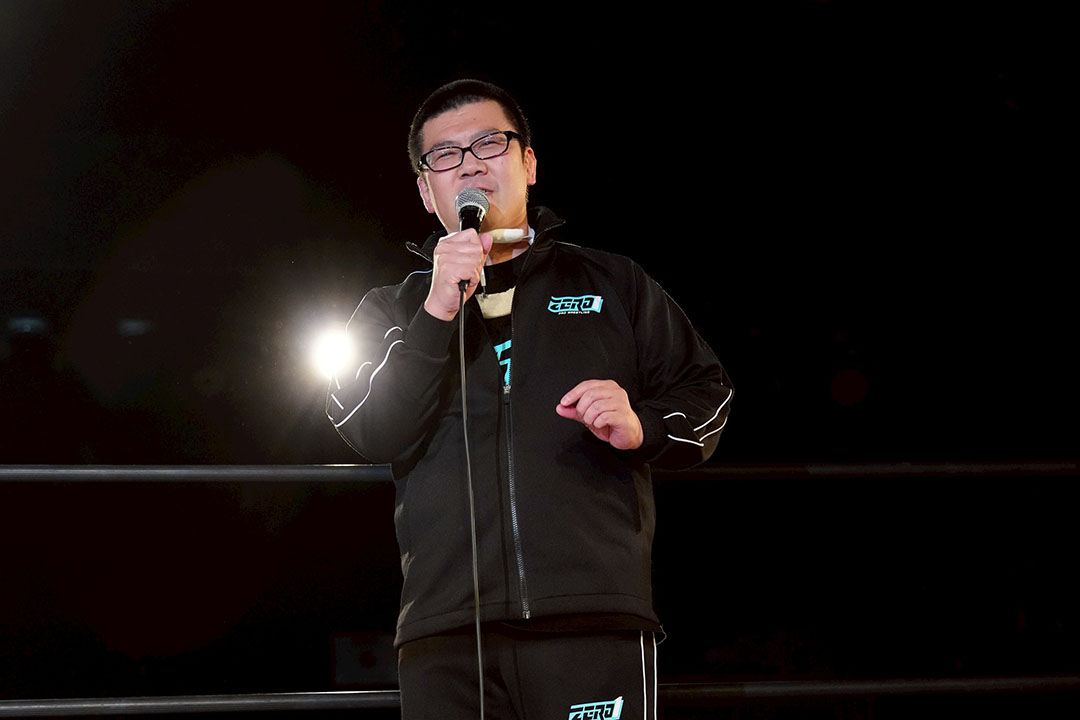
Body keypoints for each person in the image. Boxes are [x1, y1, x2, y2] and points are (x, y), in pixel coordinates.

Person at [327, 79, 732, 720]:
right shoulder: (394, 309)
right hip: (446, 631)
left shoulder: (614, 282)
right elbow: (371, 429)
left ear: (529, 163)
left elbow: (708, 392)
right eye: (445, 155)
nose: (469, 165)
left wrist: (643, 425)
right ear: (426, 191)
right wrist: (437, 310)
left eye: (489, 143)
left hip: (592, 617)